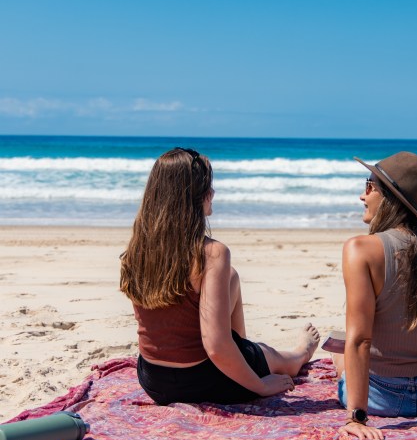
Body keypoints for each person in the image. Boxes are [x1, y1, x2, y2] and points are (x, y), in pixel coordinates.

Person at [120, 147, 320, 405]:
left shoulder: (139, 248)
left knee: (231, 277)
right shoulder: (211, 253)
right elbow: (214, 345)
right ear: (195, 196)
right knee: (277, 358)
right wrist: (260, 385)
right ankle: (300, 353)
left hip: (153, 380)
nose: (212, 193)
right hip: (203, 380)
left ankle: (244, 349)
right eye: (207, 187)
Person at [334, 151, 417, 440]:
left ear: (388, 196)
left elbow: (360, 339)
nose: (363, 195)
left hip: (380, 399)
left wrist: (356, 417)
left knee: (342, 351)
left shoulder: (360, 249)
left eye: (369, 185)